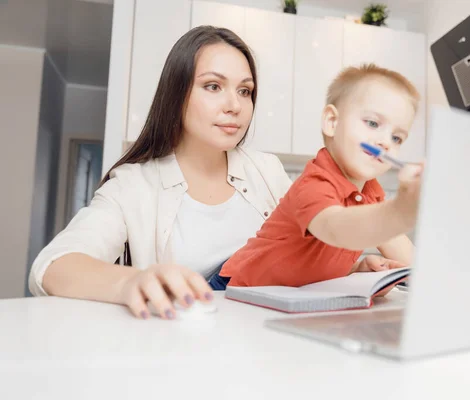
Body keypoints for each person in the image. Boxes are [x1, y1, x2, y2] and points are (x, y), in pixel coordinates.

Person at [28, 26, 296, 320]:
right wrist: (130, 281)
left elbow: (303, 252)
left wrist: (351, 264)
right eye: (213, 86)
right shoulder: (133, 185)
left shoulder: (268, 171)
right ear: (176, 93)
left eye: (245, 91)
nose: (235, 106)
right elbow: (52, 267)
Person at [217, 64, 424, 292]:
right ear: (332, 122)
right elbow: (338, 230)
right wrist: (403, 209)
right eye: (373, 123)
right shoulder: (314, 183)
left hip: (284, 298)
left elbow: (413, 261)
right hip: (235, 289)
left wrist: (355, 269)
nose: (385, 142)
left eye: (397, 138)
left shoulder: (371, 194)